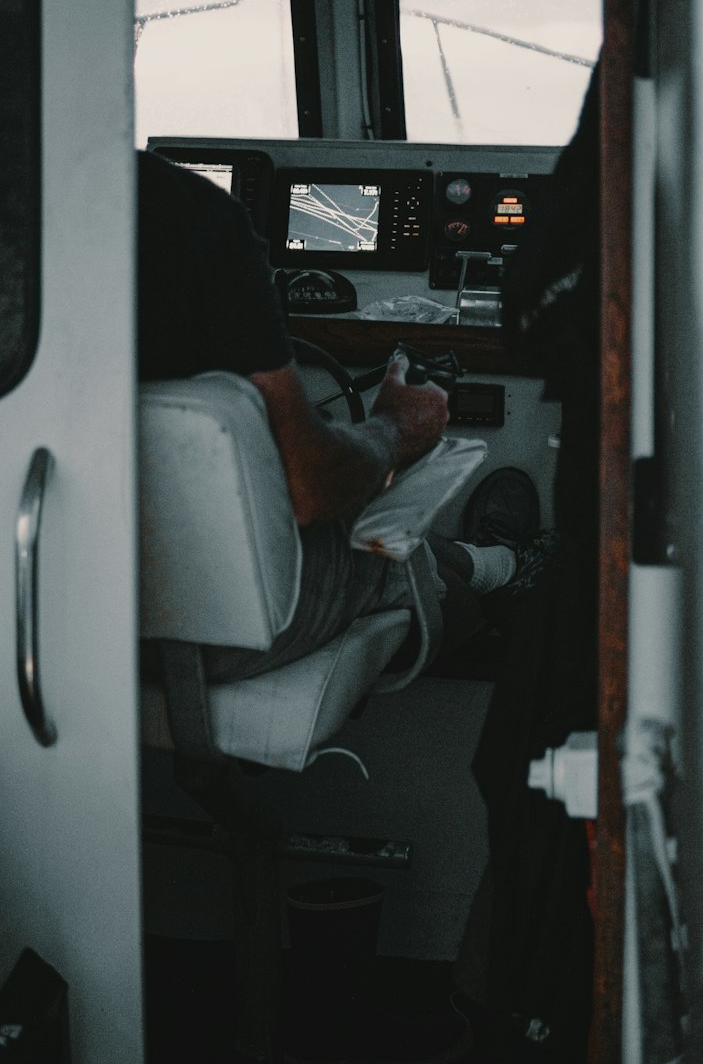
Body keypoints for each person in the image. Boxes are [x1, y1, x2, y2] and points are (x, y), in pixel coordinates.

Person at [136, 148, 539, 680]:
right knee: (395, 550)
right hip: (201, 626)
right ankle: (501, 596)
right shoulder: (191, 216)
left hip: (57, 598)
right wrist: (397, 424)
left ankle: (490, 561)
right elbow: (311, 489)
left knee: (364, 525)